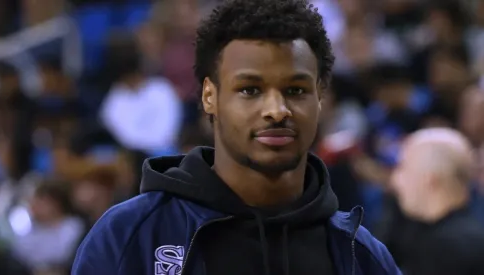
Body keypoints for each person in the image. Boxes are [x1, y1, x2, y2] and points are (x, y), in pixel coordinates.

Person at [72, 0, 400, 274]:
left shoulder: (364, 257)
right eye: (250, 89)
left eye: (296, 90)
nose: (276, 109)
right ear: (209, 96)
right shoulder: (129, 235)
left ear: (320, 97)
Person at [389, 128, 484, 275]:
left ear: (430, 179)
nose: (395, 181)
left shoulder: (446, 248)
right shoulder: (424, 235)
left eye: (403, 168)